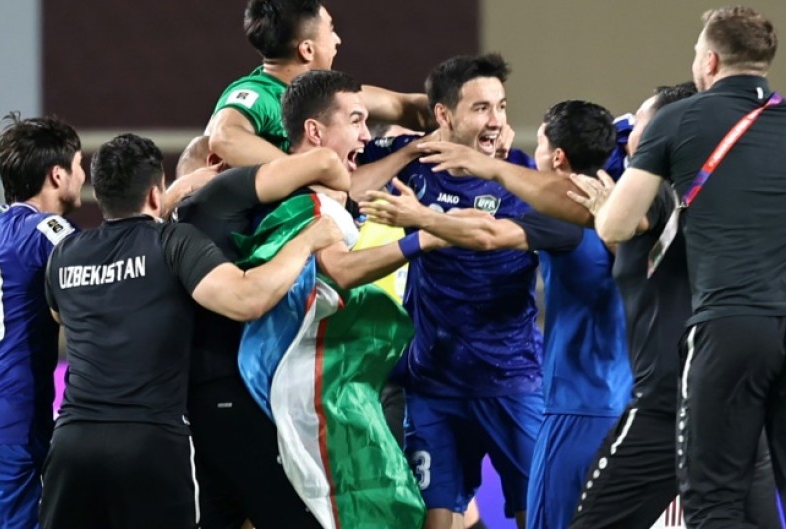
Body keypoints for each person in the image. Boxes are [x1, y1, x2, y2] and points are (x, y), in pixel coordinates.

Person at [591, 7, 786, 528]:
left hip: (731, 324)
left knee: (714, 501)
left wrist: (603, 204)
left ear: (709, 60)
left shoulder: (677, 120)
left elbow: (615, 227)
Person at [178, 69, 443, 529]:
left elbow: (344, 186)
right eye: (356, 120)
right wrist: (423, 239)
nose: (366, 133)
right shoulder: (296, 201)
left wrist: (411, 150)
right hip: (276, 393)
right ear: (315, 131)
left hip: (296, 390)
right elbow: (336, 267)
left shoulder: (306, 195)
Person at [39, 133, 342, 529]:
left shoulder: (66, 254)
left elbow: (60, 315)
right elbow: (246, 298)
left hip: (73, 446)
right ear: (154, 193)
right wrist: (306, 242)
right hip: (150, 445)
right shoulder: (172, 243)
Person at [363, 100, 632, 529]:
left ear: (558, 157)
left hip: (576, 405)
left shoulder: (561, 221)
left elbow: (486, 233)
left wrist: (421, 217)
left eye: (539, 143)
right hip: (620, 393)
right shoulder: (624, 199)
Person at [568, 83, 781, 529]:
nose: (629, 129)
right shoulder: (721, 191)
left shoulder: (659, 190)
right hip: (737, 400)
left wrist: (494, 173)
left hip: (669, 405)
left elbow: (638, 217)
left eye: (642, 120)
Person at [355, 53, 542, 529]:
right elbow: (349, 180)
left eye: (500, 107)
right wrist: (411, 146)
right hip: (433, 384)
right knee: (436, 522)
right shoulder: (411, 173)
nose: (497, 122)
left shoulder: (525, 181)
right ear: (444, 115)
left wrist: (422, 219)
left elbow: (483, 232)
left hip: (511, 381)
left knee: (536, 517)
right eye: (481, 108)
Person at [0, 113, 84, 529]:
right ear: (57, 175)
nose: (84, 175)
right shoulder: (50, 232)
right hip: (10, 435)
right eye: (80, 166)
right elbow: (102, 268)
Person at [206, 0, 432, 166]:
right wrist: (306, 177)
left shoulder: (331, 94)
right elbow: (225, 137)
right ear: (307, 50)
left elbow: (408, 108)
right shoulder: (258, 94)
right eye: (331, 29)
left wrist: (452, 112)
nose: (338, 40)